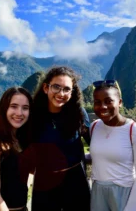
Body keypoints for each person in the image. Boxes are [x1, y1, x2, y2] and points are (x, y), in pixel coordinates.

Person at [29, 66, 91, 211]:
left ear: (72, 92)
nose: (61, 93)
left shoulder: (78, 114)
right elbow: (13, 144)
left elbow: (96, 143)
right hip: (45, 184)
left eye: (66, 89)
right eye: (56, 87)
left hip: (75, 182)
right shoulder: (34, 116)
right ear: (46, 88)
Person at [90, 80, 136, 211]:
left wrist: (132, 206)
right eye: (97, 102)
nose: (103, 107)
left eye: (108, 101)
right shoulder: (94, 127)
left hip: (125, 193)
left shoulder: (135, 130)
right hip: (98, 193)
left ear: (120, 102)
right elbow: (100, 155)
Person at [0, 87, 32, 211]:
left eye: (25, 108)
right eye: (13, 106)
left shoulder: (21, 142)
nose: (19, 113)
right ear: (4, 109)